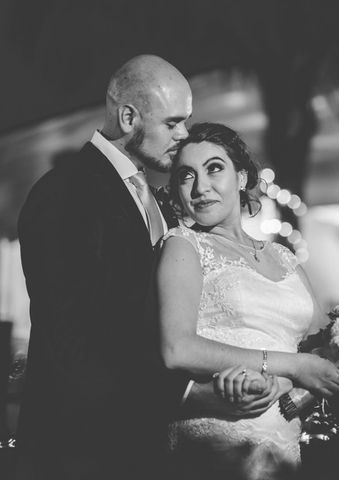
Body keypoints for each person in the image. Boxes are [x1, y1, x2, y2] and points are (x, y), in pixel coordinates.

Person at [16, 55, 274, 480]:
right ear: (128, 116)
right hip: (82, 452)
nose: (183, 135)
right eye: (172, 123)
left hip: (151, 448)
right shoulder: (66, 193)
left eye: (186, 122)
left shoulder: (154, 198)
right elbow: (73, 345)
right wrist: (194, 396)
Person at [157, 122, 339, 479]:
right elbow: (177, 349)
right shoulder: (183, 245)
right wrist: (290, 366)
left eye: (214, 168)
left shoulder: (283, 256)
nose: (201, 187)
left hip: (283, 439)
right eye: (186, 176)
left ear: (241, 178)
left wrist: (286, 383)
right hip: (219, 438)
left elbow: (319, 346)